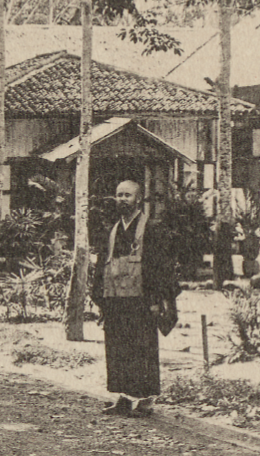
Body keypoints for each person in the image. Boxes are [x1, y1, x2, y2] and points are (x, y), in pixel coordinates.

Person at [92, 179, 179, 417]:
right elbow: (103, 265)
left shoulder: (152, 229)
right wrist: (100, 298)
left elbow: (161, 266)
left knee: (142, 348)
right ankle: (123, 396)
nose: (122, 199)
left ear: (138, 199)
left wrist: (157, 299)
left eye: (127, 195)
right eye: (119, 195)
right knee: (118, 348)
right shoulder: (112, 230)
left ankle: (147, 399)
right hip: (117, 300)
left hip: (142, 299)